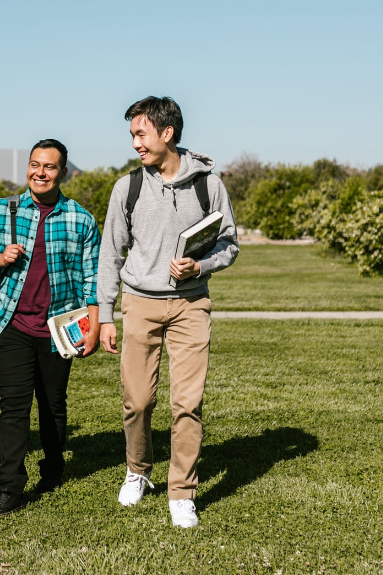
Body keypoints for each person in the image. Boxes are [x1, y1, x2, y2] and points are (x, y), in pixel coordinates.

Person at [97, 96, 239, 528]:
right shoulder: (129, 187)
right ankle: (138, 471)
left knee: (187, 403)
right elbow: (111, 252)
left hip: (192, 305)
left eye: (141, 134)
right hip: (140, 304)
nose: (136, 143)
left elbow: (229, 244)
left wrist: (201, 264)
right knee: (137, 401)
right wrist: (106, 313)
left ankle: (182, 491)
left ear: (166, 133)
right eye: (133, 136)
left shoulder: (208, 185)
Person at [0, 138, 101, 520]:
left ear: (63, 173)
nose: (40, 172)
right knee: (14, 408)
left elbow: (93, 279)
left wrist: (94, 325)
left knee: (53, 405)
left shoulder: (81, 219)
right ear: (28, 168)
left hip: (60, 329)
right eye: (35, 165)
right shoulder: (1, 210)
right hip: (10, 324)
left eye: (50, 167)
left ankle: (54, 469)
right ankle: (9, 489)